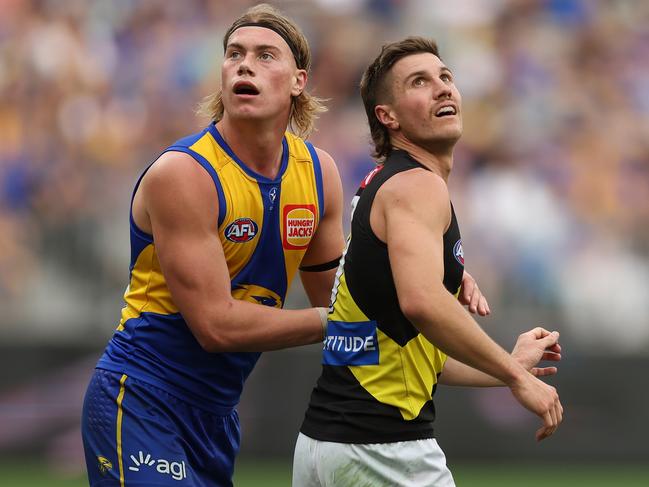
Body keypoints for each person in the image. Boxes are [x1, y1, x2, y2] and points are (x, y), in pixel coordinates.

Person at [81, 4, 347, 486]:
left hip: (217, 417)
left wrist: (433, 290)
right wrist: (337, 322)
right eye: (234, 53)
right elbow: (216, 327)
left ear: (298, 81)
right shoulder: (183, 174)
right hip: (142, 397)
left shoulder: (319, 174)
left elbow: (350, 310)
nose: (245, 64)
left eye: (266, 55)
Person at [293, 37, 564, 487]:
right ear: (388, 116)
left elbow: (416, 357)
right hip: (383, 450)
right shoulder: (418, 186)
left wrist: (505, 365)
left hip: (325, 447)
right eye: (419, 82)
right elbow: (422, 302)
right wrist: (516, 375)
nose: (442, 88)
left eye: (446, 77)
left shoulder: (380, 186)